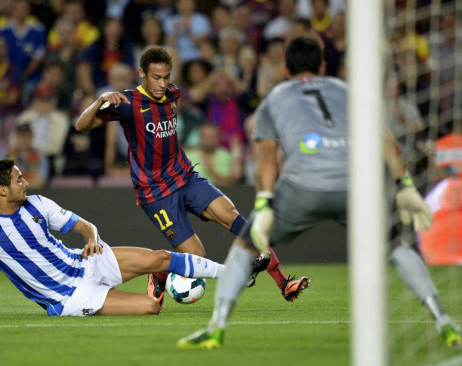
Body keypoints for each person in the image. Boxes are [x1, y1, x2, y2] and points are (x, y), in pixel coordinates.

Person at [177, 35, 462, 349]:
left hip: (301, 187)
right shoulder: (347, 91)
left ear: (286, 68)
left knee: (244, 249)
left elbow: (266, 159)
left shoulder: (275, 98)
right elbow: (385, 139)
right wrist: (405, 184)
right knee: (397, 248)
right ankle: (444, 322)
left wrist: (264, 203)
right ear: (321, 65)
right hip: (354, 187)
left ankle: (216, 327)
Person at [75, 46, 309, 309]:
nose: (163, 84)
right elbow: (81, 126)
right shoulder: (127, 104)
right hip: (156, 193)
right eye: (156, 78)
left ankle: (283, 284)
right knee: (197, 257)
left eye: (166, 77)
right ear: (142, 73)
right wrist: (100, 99)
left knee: (239, 220)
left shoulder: (172, 92)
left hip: (186, 177)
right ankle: (159, 273)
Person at [0, 158, 227, 321]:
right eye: (18, 180)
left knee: (162, 258)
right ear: (2, 190)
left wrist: (92, 237)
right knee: (152, 307)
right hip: (70, 297)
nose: (25, 183)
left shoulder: (38, 204)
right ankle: (155, 290)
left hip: (85, 262)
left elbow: (84, 226)